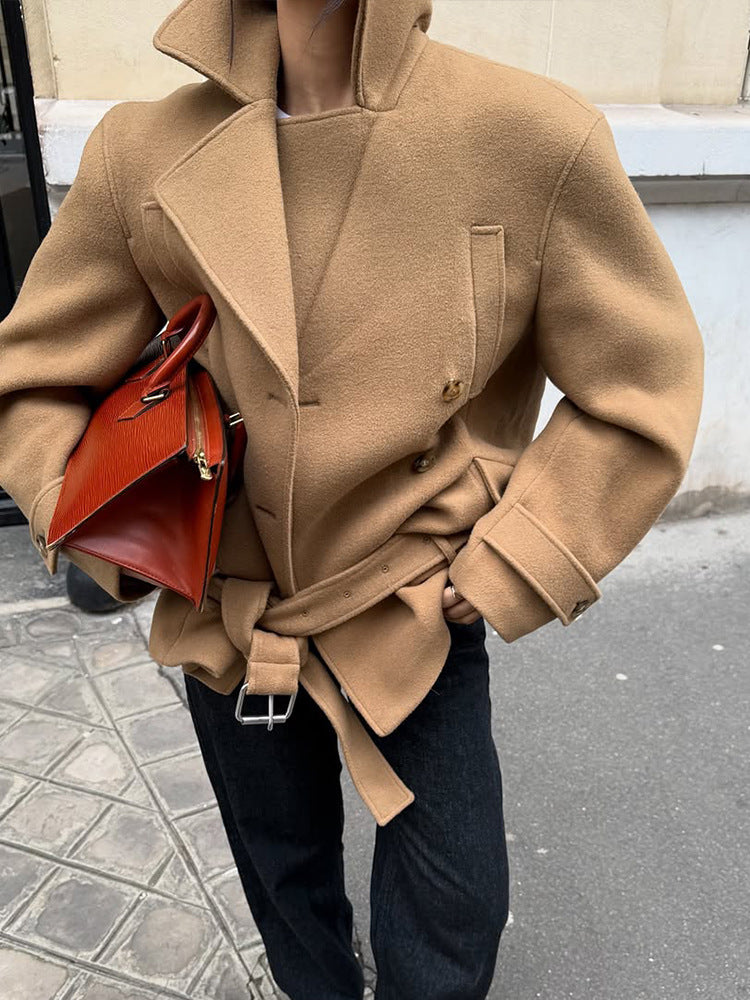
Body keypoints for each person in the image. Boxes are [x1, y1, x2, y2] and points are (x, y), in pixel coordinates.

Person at [0, 0, 704, 997]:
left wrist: (522, 553)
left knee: (453, 911)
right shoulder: (139, 151)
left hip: (413, 603)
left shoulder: (531, 136)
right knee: (284, 882)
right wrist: (106, 528)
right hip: (232, 610)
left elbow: (640, 383)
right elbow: (33, 378)